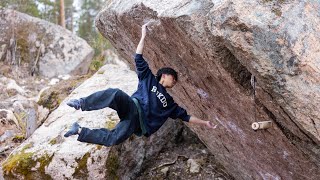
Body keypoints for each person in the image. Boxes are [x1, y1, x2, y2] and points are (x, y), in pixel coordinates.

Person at [64, 22, 216, 146]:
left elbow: (187, 117)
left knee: (113, 138)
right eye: (174, 78)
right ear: (165, 75)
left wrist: (205, 123)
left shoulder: (170, 104)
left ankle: (79, 131)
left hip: (137, 123)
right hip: (132, 106)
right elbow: (138, 57)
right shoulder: (148, 78)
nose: (175, 82)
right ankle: (81, 103)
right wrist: (143, 35)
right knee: (115, 93)